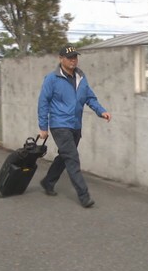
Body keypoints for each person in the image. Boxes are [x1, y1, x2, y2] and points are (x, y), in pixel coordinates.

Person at [37, 44, 111, 208]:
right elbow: (43, 102)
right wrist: (43, 127)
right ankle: (84, 196)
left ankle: (48, 182)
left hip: (75, 125)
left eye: (75, 57)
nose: (73, 60)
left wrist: (101, 111)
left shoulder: (81, 78)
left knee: (64, 156)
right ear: (61, 59)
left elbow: (90, 98)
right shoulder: (52, 79)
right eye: (69, 57)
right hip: (59, 124)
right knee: (72, 158)